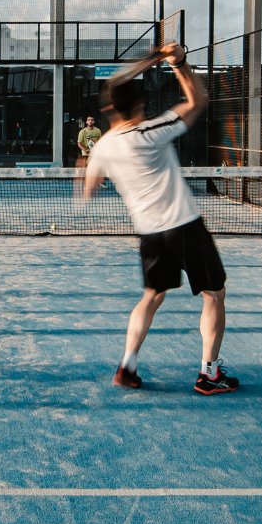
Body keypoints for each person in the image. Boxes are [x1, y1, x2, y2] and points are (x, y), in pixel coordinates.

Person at [83, 44, 237, 396]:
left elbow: (89, 188)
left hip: (150, 235)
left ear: (108, 109)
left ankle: (127, 364)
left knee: (152, 296)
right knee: (214, 295)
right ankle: (209, 374)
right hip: (184, 226)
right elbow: (197, 103)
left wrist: (95, 169)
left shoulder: (103, 147)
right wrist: (180, 64)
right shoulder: (151, 132)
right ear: (139, 104)